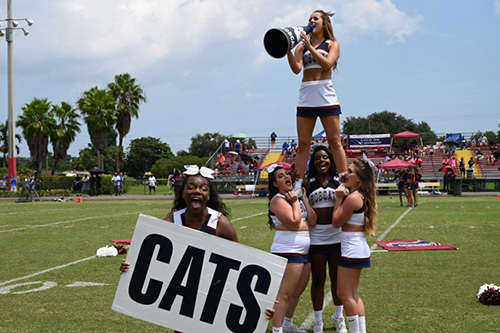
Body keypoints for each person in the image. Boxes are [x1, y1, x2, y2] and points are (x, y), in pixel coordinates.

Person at [119, 165, 275, 331]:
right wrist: (131, 268)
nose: (197, 191)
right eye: (191, 187)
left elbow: (240, 264)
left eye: (203, 188)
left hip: (213, 292)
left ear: (208, 195)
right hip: (181, 293)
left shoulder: (220, 224)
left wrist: (260, 302)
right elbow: (149, 258)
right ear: (183, 193)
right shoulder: (171, 222)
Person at [286, 10, 347, 197]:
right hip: (306, 94)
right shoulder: (301, 46)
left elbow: (328, 64)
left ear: (324, 23)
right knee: (304, 143)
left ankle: (345, 180)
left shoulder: (332, 44)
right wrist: (287, 48)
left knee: (334, 141)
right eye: (310, 18)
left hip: (325, 93)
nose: (312, 21)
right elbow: (296, 69)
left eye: (315, 18)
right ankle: (297, 183)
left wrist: (311, 48)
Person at [267, 164, 317, 333]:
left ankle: (288, 324)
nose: (286, 177)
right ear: (275, 184)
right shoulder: (277, 200)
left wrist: (302, 199)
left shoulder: (294, 198)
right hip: (288, 251)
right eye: (280, 176)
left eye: (286, 174)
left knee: (297, 292)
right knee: (284, 295)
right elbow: (295, 222)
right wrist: (295, 201)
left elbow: (312, 221)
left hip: (303, 251)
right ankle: (277, 330)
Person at [303, 146, 347, 333]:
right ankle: (318, 321)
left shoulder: (339, 181)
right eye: (318, 158)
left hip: (337, 235)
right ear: (313, 162)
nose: (322, 161)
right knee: (318, 279)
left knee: (337, 279)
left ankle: (339, 317)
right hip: (316, 237)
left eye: (326, 157)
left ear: (331, 160)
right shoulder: (307, 183)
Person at [332, 159, 377, 333]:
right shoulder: (360, 195)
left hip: (352, 249)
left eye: (350, 172)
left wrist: (338, 199)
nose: (346, 174)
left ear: (359, 178)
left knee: (344, 294)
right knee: (353, 295)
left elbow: (336, 222)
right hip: (357, 248)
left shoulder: (352, 198)